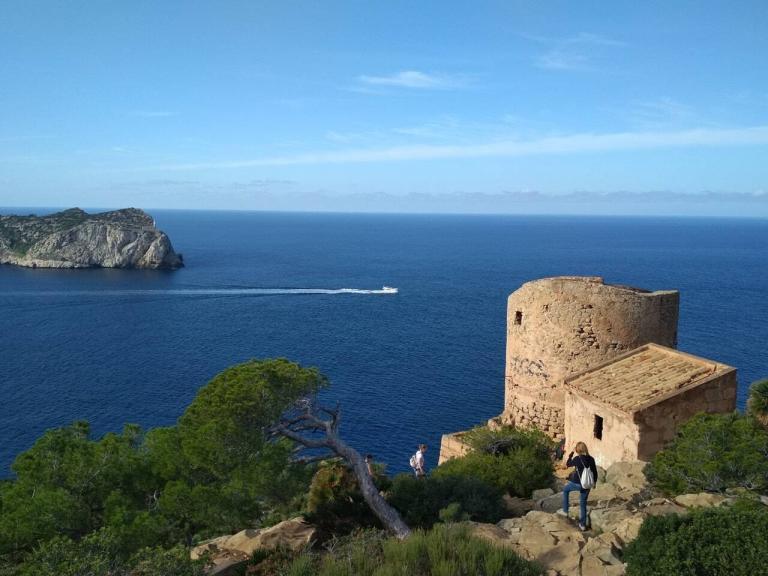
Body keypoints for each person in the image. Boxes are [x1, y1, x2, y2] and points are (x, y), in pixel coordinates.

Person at [559, 441, 598, 531]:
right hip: (587, 485)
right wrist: (594, 482)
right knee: (583, 504)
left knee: (565, 490)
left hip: (577, 483)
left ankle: (565, 511)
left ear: (577, 450)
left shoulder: (577, 459)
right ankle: (582, 525)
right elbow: (595, 472)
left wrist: (571, 453)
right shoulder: (591, 459)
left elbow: (568, 464)